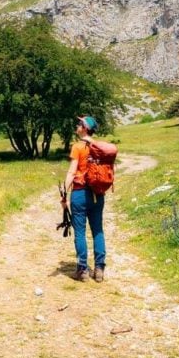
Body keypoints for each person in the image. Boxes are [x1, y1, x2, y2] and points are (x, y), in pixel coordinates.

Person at [61, 115, 106, 282]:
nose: (77, 125)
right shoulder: (100, 147)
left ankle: (83, 270)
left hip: (79, 194)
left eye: (79, 124)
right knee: (98, 230)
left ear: (85, 128)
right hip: (98, 194)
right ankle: (100, 269)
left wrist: (64, 194)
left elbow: (72, 172)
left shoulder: (78, 147)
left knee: (80, 232)